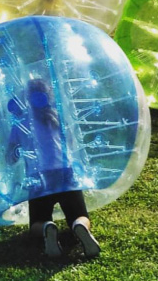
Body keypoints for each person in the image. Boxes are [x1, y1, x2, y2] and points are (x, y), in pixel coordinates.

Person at [6, 79, 100, 259]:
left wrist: (16, 152)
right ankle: (79, 225)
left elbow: (10, 158)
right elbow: (71, 146)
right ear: (49, 97)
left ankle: (46, 227)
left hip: (39, 178)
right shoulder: (60, 118)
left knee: (36, 223)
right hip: (66, 173)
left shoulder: (21, 124)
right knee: (79, 214)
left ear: (27, 99)